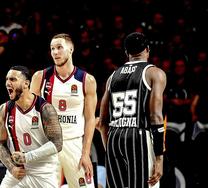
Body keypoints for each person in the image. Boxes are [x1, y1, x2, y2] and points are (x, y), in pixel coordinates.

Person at [97, 32, 166, 188]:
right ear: (147, 50)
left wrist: (110, 149)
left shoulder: (112, 76)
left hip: (114, 137)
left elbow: (102, 122)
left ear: (126, 52)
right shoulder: (154, 73)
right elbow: (156, 116)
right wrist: (159, 158)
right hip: (138, 136)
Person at [30, 33, 97, 188]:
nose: (55, 52)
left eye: (59, 47)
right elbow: (30, 116)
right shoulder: (40, 77)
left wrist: (86, 153)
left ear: (71, 49)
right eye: (52, 48)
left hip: (74, 144)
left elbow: (90, 119)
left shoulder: (86, 80)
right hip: (47, 144)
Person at [0, 65, 63, 187]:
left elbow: (57, 144)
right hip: (17, 173)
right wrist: (12, 167)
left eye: (13, 79)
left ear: (26, 84)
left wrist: (27, 157)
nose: (8, 83)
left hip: (44, 173)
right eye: (7, 79)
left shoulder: (45, 109)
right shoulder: (4, 110)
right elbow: (0, 143)